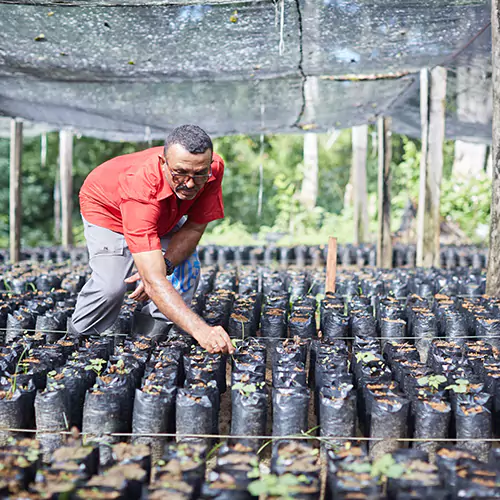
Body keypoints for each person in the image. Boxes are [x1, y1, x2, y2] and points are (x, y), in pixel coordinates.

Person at [68, 124, 234, 354]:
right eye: (180, 172)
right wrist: (201, 330)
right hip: (108, 210)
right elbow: (153, 281)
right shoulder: (140, 188)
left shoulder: (213, 169)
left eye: (199, 174)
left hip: (165, 209)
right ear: (163, 163)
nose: (189, 183)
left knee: (186, 269)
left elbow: (195, 226)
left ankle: (147, 338)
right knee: (111, 287)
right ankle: (77, 340)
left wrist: (164, 266)